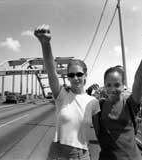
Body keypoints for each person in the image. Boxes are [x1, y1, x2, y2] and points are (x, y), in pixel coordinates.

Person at [92, 31, 142, 160]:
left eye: (117, 85)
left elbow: (139, 80)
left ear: (123, 85)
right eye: (108, 85)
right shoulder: (100, 105)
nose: (112, 89)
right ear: (104, 85)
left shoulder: (130, 102)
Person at [34, 24, 100, 160]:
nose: (75, 78)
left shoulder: (93, 102)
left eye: (79, 74)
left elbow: (99, 132)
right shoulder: (61, 95)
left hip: (80, 154)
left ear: (85, 75)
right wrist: (45, 44)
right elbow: (51, 70)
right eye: (71, 75)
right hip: (56, 154)